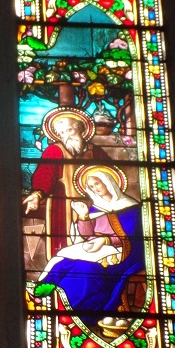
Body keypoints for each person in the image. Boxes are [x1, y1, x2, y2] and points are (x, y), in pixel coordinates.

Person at [38, 164, 145, 326]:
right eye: (91, 186)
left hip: (125, 255)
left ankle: (76, 312)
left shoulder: (131, 208)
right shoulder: (96, 207)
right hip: (97, 250)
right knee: (62, 263)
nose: (95, 188)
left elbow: (133, 237)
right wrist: (84, 216)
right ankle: (45, 300)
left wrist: (106, 240)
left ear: (108, 182)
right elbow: (87, 235)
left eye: (97, 183)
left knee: (85, 269)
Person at [23, 107, 110, 259]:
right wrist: (37, 194)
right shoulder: (55, 151)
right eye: (61, 133)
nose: (66, 136)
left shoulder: (96, 151)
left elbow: (111, 176)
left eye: (69, 130)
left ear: (80, 129)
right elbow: (44, 175)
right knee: (65, 246)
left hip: (96, 205)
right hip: (64, 206)